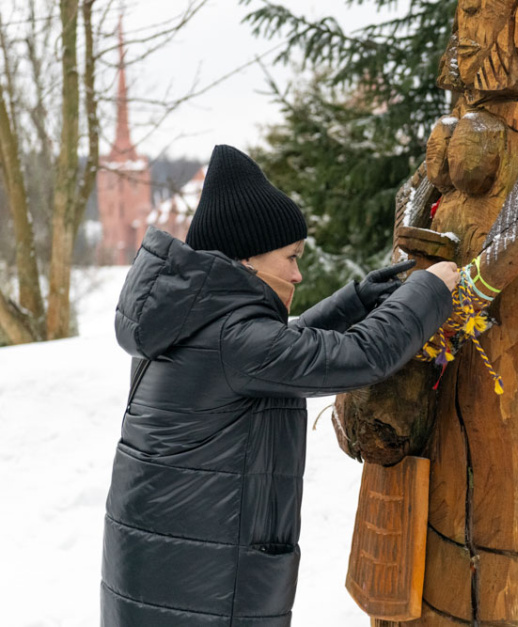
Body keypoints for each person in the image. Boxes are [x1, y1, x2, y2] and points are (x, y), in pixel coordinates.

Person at [100, 144, 458, 625]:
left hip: (167, 577)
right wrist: (431, 289)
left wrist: (352, 303)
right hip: (205, 590)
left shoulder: (189, 319)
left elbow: (276, 348)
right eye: (290, 257)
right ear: (247, 260)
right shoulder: (236, 342)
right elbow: (360, 357)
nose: (298, 272)